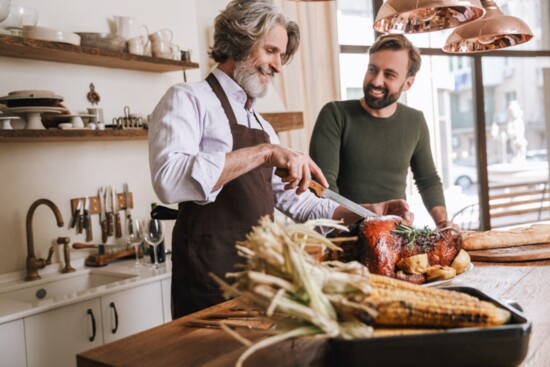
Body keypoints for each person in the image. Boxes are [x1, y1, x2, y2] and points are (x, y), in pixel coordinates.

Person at [148, 0, 411, 318]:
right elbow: (169, 180)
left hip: (262, 283)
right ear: (240, 40)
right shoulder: (188, 99)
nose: (277, 66)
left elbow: (300, 202)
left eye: (281, 55)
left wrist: (366, 213)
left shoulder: (263, 127)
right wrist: (263, 153)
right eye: (271, 51)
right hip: (208, 283)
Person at [310, 34, 454, 230]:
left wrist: (443, 223)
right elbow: (324, 189)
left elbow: (427, 180)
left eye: (389, 74)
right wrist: (365, 222)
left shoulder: (415, 121)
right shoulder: (335, 114)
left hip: (397, 236)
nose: (376, 81)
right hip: (344, 238)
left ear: (408, 83)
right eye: (372, 70)